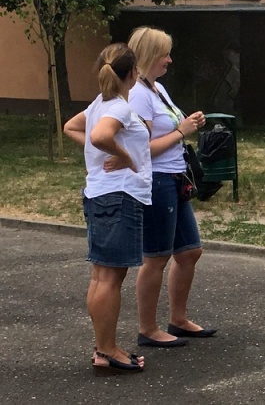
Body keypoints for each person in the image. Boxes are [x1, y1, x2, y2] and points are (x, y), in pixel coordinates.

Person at [63, 44, 150, 373]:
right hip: (119, 197)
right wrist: (126, 157)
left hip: (101, 195)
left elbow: (72, 128)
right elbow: (100, 137)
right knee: (111, 277)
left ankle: (103, 347)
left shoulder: (99, 104)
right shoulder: (118, 108)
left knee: (101, 276)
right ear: (133, 74)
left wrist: (103, 153)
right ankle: (108, 348)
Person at [127, 26, 217, 347]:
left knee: (190, 251)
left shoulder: (157, 88)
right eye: (164, 53)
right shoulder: (137, 94)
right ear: (149, 55)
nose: (169, 59)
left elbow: (173, 125)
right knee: (157, 257)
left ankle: (178, 319)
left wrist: (189, 123)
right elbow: (141, 148)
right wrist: (182, 131)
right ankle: (148, 329)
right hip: (157, 181)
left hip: (175, 178)